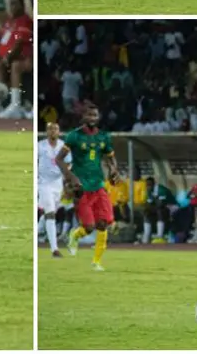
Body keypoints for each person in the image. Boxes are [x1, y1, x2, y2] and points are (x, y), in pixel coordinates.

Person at [57, 101, 119, 270]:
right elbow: (59, 159)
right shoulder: (74, 136)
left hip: (99, 184)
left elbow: (110, 157)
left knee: (103, 224)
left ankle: (96, 262)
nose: (92, 118)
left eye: (95, 115)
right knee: (89, 227)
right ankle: (75, 235)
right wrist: (71, 177)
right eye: (89, 115)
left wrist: (114, 170)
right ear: (83, 117)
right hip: (82, 188)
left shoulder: (103, 137)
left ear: (98, 118)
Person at [38, 122, 69, 258]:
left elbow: (68, 163)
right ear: (46, 131)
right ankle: (54, 249)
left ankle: (37, 232)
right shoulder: (40, 146)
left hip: (58, 184)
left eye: (55, 129)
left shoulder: (63, 146)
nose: (53, 131)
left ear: (59, 131)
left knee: (49, 213)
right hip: (44, 183)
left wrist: (66, 179)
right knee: (50, 213)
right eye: (50, 129)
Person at [141, 175, 174, 244]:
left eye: (150, 185)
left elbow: (161, 204)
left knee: (160, 211)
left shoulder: (161, 189)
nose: (148, 186)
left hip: (173, 207)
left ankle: (160, 236)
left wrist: (152, 207)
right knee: (146, 211)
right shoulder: (148, 191)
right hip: (159, 207)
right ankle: (147, 235)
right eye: (147, 185)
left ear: (154, 184)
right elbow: (149, 204)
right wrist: (148, 209)